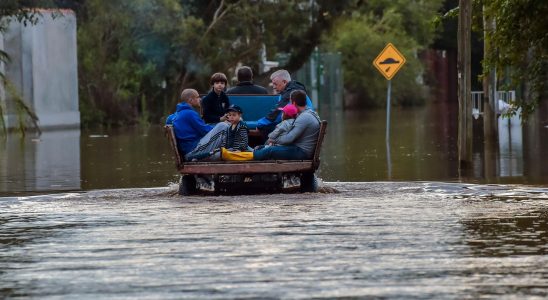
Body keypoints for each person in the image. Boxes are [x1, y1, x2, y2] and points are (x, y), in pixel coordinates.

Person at [253, 90, 320, 160]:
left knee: (270, 151)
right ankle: (253, 154)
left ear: (293, 103)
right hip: (299, 148)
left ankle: (249, 157)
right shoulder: (308, 113)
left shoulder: (305, 117)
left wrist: (273, 140)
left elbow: (289, 139)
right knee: (266, 148)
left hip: (302, 152)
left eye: (290, 102)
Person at [166, 88, 229, 161]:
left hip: (188, 150)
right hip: (193, 151)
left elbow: (168, 122)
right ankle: (230, 150)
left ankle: (223, 151)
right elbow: (204, 131)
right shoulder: (190, 113)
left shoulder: (172, 116)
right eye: (197, 97)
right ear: (190, 100)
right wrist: (218, 126)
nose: (200, 99)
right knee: (223, 126)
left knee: (221, 126)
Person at [255, 69, 307, 139]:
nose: (273, 87)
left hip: (297, 128)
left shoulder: (291, 93)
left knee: (265, 129)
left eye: (275, 84)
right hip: (299, 125)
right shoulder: (295, 89)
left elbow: (277, 113)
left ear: (284, 82)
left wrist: (260, 124)